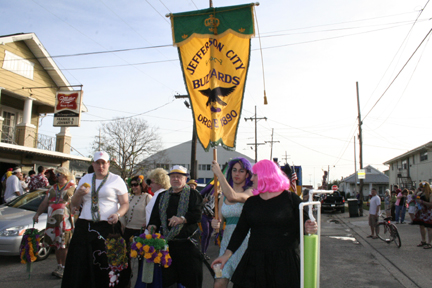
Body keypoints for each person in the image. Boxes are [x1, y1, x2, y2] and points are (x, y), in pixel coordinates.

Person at [211, 159, 317, 288]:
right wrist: (226, 255)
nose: (252, 179)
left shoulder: (290, 199)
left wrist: (309, 227)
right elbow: (241, 231)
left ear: (265, 176)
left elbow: (306, 223)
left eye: (255, 175)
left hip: (284, 263)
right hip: (255, 262)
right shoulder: (251, 202)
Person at [62, 151, 131, 288]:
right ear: (93, 164)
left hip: (108, 227)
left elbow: (125, 204)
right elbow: (74, 203)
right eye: (98, 163)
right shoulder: (86, 178)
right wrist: (79, 193)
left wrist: (118, 214)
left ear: (108, 164)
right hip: (85, 226)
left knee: (107, 262)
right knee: (80, 262)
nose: (101, 166)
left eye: (103, 163)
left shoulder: (116, 180)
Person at [148, 165, 203, 288]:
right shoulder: (162, 196)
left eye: (179, 176)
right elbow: (155, 217)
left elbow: (197, 214)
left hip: (188, 245)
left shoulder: (193, 194)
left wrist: (182, 219)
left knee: (191, 279)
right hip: (168, 245)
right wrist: (152, 226)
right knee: (169, 279)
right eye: (173, 176)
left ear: (185, 179)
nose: (175, 179)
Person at [210, 158, 253, 288]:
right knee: (219, 283)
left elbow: (233, 196)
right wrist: (215, 224)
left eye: (241, 170)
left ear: (247, 174)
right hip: (227, 245)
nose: (237, 173)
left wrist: (219, 174)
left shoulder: (250, 192)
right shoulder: (223, 197)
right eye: (234, 170)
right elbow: (219, 221)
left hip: (246, 244)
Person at [33, 167, 76, 278]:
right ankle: (59, 265)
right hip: (52, 220)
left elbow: (75, 203)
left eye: (59, 174)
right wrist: (37, 214)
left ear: (65, 175)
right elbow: (44, 203)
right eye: (56, 174)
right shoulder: (53, 188)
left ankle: (64, 267)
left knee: (63, 245)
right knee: (56, 245)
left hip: (64, 221)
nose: (57, 176)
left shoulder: (71, 187)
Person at [123, 175, 152, 276]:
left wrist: (147, 224)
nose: (134, 187)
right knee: (125, 256)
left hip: (140, 231)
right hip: (128, 230)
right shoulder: (129, 198)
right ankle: (126, 277)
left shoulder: (147, 197)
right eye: (132, 185)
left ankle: (140, 279)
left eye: (136, 185)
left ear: (141, 185)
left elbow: (151, 213)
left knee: (141, 257)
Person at [412, 182, 432, 249]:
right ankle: (423, 240)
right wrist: (417, 191)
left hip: (427, 212)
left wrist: (422, 202)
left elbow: (431, 204)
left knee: (429, 227)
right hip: (421, 212)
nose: (421, 188)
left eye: (422, 187)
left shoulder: (430, 194)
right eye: (420, 187)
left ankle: (430, 243)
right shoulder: (420, 193)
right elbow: (413, 197)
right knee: (421, 226)